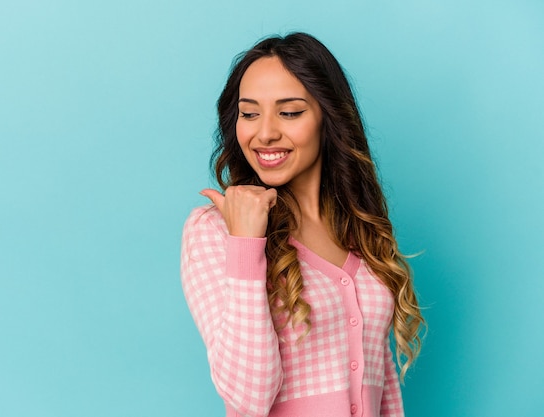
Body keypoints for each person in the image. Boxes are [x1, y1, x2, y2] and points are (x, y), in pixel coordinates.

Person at [180, 32, 424, 417]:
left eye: (289, 112)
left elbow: (384, 384)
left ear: (329, 116)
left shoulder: (358, 226)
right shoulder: (215, 231)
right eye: (249, 113)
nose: (265, 133)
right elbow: (248, 397)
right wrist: (246, 243)